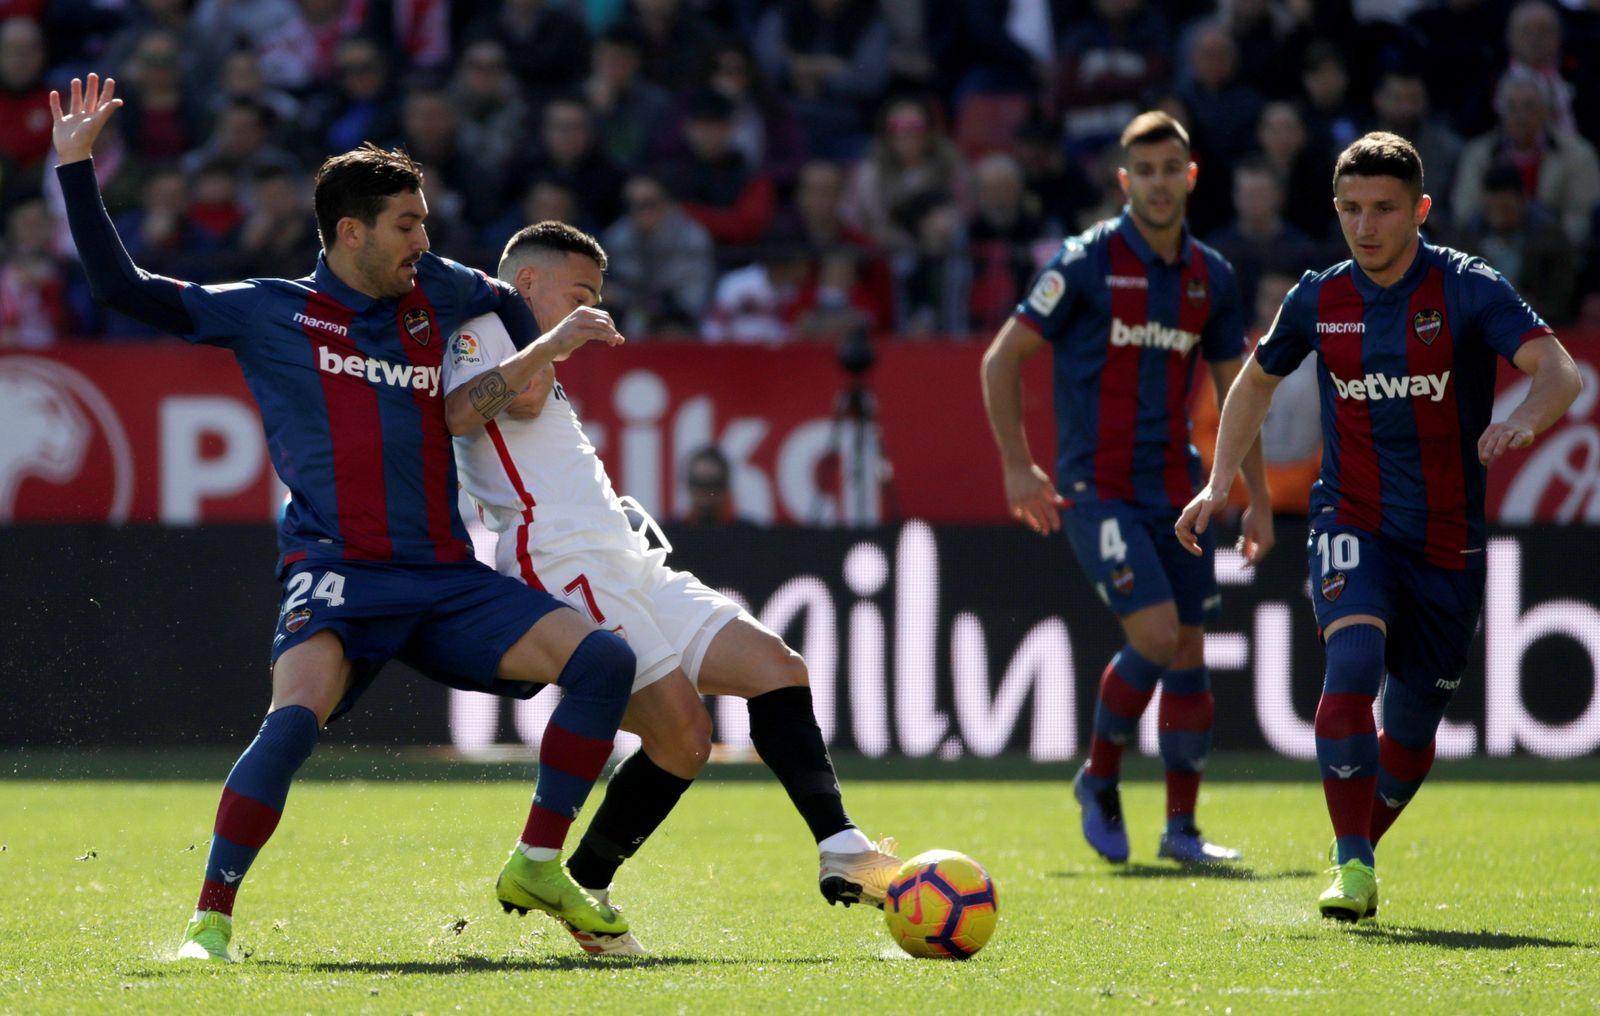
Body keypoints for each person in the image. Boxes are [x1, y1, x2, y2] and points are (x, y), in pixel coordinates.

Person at [49, 74, 640, 963]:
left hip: (443, 576)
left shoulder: (435, 290)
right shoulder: (266, 312)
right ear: (350, 230)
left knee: (604, 659)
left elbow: (504, 297)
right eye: (407, 224)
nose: (423, 240)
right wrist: (75, 169)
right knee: (293, 719)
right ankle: (209, 921)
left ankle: (538, 861)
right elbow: (122, 287)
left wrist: (530, 362)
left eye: (427, 223)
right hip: (338, 573)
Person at [442, 220, 901, 955]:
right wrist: (552, 343)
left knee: (777, 669)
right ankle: (574, 885)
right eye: (580, 290)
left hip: (626, 555)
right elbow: (461, 412)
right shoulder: (482, 329)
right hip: (559, 558)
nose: (594, 306)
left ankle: (839, 844)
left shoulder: (538, 348)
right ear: (528, 284)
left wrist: (554, 345)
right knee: (685, 736)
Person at [1176, 131, 1581, 921]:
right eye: (1353, 209)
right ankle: (1355, 866)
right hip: (1351, 515)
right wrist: (1219, 481)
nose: (1367, 226)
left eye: (1385, 210)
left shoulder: (1468, 287)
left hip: (1447, 540)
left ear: (1421, 210)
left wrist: (1525, 421)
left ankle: (1352, 846)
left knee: (1410, 735)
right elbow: (1254, 387)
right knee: (1351, 669)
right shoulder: (1318, 299)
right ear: (1336, 210)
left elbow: (1557, 370)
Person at [980, 110, 1273, 867]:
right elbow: (1000, 360)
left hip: (1177, 486)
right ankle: (1099, 776)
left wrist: (1258, 497)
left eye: (1170, 168)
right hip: (1097, 485)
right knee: (1154, 635)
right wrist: (1018, 464)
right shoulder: (1082, 263)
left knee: (1190, 651)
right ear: (1124, 181)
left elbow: (1236, 392)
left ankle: (1182, 830)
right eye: (1143, 171)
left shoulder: (1213, 277)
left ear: (1191, 176)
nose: (1158, 183)